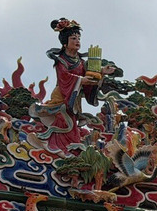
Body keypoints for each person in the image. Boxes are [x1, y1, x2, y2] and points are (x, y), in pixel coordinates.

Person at [32, 18, 116, 152]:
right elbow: (64, 77)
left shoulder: (81, 62)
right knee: (65, 122)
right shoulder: (61, 60)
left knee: (72, 124)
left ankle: (70, 149)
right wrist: (80, 80)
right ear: (65, 43)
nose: (77, 41)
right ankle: (57, 148)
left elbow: (89, 80)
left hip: (74, 97)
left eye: (78, 38)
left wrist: (102, 72)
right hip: (62, 95)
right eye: (73, 38)